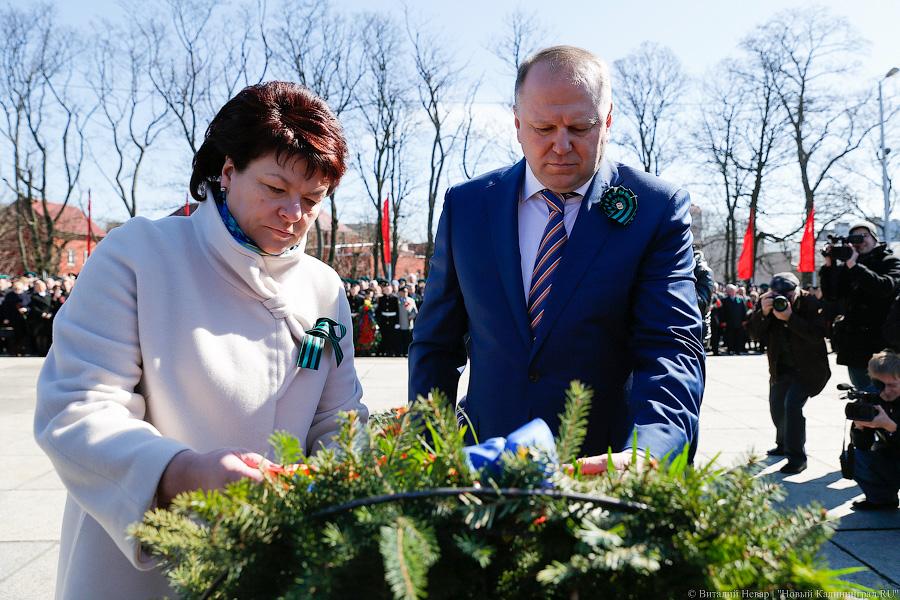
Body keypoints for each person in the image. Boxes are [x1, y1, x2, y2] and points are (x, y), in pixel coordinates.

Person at [34, 82, 366, 599]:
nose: (294, 214)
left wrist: (348, 477)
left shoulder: (323, 287)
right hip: (143, 571)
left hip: (282, 567)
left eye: (312, 199)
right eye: (275, 189)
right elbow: (77, 408)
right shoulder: (139, 255)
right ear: (228, 170)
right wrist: (182, 473)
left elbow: (337, 419)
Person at [409, 46, 705, 471]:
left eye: (580, 127)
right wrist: (427, 453)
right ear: (516, 123)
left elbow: (671, 347)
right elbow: (436, 345)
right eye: (543, 127)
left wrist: (648, 451)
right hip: (482, 472)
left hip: (605, 473)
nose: (560, 146)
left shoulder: (655, 209)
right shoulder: (467, 207)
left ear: (607, 120)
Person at [748, 272, 830, 474]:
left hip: (808, 369)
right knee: (777, 408)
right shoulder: (767, 302)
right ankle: (783, 443)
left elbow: (817, 334)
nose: (785, 299)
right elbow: (753, 334)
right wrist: (763, 314)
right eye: (779, 295)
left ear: (797, 289)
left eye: (789, 295)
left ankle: (797, 458)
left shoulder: (810, 302)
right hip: (781, 368)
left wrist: (790, 318)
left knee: (792, 406)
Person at [820, 221, 900, 390]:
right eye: (855, 238)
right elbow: (831, 295)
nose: (860, 241)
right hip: (855, 348)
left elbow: (885, 287)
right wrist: (829, 265)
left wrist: (854, 265)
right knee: (863, 396)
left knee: (884, 396)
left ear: (875, 239)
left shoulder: (890, 261)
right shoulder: (849, 264)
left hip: (883, 346)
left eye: (864, 236)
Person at [849, 350, 900, 510]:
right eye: (879, 385)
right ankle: (882, 499)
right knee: (854, 457)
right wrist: (860, 428)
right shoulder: (870, 398)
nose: (886, 391)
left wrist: (890, 426)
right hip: (891, 456)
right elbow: (862, 447)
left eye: (892, 385)